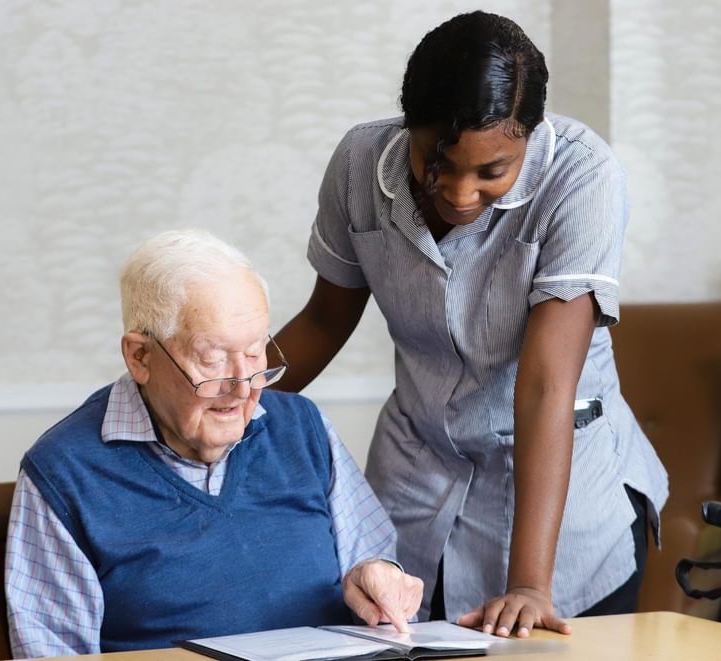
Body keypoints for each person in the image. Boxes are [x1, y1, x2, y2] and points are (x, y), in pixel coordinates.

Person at [273, 11, 668, 638]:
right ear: (411, 131)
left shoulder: (582, 174)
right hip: (416, 480)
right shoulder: (358, 164)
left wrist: (530, 584)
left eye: (492, 172)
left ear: (530, 139)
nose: (458, 194)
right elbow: (323, 320)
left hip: (558, 504)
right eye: (438, 163)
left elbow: (544, 387)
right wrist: (220, 396)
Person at [5, 229, 423, 658]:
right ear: (140, 357)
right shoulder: (65, 471)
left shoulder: (303, 429)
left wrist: (379, 576)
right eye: (213, 359)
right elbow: (50, 653)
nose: (243, 389)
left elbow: (371, 562)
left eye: (257, 352)